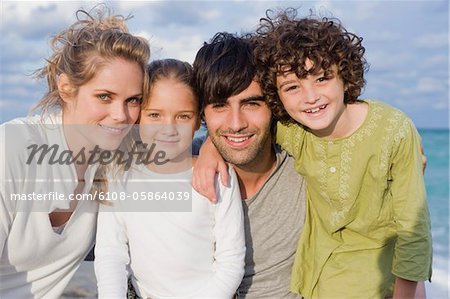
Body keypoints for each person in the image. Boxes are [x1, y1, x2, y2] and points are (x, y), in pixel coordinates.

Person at [252, 8, 432, 298]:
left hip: (381, 280)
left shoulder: (394, 130)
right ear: (277, 96)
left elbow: (414, 226)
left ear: (344, 77)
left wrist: (406, 292)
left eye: (322, 78)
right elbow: (243, 132)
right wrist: (209, 150)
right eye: (292, 87)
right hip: (316, 279)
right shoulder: (294, 131)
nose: (310, 97)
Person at [0, 6, 150, 298]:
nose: (121, 115)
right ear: (67, 89)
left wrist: (210, 151)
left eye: (133, 100)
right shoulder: (13, 146)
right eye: (104, 96)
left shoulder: (113, 160)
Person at [94, 59, 245, 299]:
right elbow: (111, 253)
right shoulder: (119, 177)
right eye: (154, 115)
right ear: (138, 118)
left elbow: (231, 260)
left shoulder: (219, 178)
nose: (169, 129)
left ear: (198, 120)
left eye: (183, 116)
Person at [192, 32, 307, 298]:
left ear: (274, 105)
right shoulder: (181, 165)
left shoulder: (305, 164)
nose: (236, 123)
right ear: (202, 113)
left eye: (251, 103)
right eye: (219, 106)